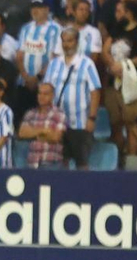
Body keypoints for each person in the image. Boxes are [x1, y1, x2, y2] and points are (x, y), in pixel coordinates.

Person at [43, 26, 101, 168]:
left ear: (76, 42)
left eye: (69, 41)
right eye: (64, 41)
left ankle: (84, 190)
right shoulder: (54, 64)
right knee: (62, 161)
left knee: (82, 163)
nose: (66, 44)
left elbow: (95, 92)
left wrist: (92, 118)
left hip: (80, 122)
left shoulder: (87, 64)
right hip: (57, 123)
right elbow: (46, 90)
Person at [18, 81, 67, 168]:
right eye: (40, 93)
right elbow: (22, 133)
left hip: (51, 163)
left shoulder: (59, 114)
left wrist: (32, 133)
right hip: (32, 163)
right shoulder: (30, 114)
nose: (41, 97)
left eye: (45, 94)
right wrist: (43, 131)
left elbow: (55, 137)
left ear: (52, 96)